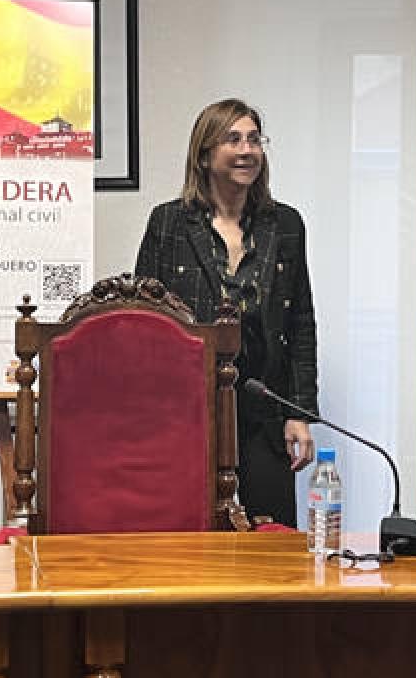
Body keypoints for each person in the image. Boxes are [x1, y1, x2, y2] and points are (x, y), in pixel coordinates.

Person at [135, 98, 317, 527]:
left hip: (262, 409)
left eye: (255, 139)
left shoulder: (286, 224)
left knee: (272, 546)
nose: (247, 150)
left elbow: (301, 324)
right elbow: (144, 323)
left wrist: (299, 414)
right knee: (189, 541)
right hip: (186, 411)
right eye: (233, 139)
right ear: (204, 153)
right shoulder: (168, 223)